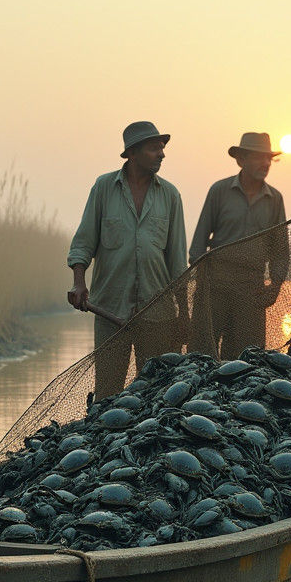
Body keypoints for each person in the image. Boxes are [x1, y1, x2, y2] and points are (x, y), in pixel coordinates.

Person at [67, 121, 187, 397]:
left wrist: (183, 314)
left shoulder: (170, 195)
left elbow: (177, 262)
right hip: (110, 309)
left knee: (156, 394)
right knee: (107, 392)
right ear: (132, 153)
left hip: (158, 313)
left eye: (162, 148)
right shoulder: (104, 188)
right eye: (154, 148)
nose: (162, 154)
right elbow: (83, 243)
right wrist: (78, 283)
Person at [188, 132, 289, 358]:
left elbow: (280, 250)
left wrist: (275, 286)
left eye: (268, 159)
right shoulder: (219, 191)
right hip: (215, 287)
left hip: (252, 289)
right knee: (202, 356)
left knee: (247, 360)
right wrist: (204, 285)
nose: (265, 164)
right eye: (258, 158)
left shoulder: (275, 199)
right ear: (241, 160)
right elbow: (197, 247)